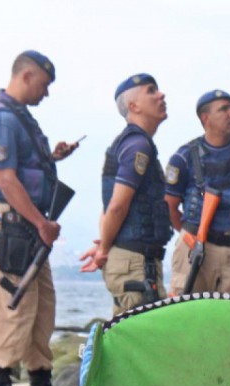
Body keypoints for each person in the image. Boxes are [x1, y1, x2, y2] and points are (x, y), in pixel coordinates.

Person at [0, 50, 79, 386]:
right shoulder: (3, 118)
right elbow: (5, 179)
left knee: (41, 305)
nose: (46, 93)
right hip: (17, 224)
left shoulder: (19, 117)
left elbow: (23, 167)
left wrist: (52, 157)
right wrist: (41, 223)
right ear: (27, 76)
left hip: (29, 226)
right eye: (44, 85)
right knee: (14, 299)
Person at [79, 73, 172, 315]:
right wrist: (104, 249)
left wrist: (106, 244)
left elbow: (109, 205)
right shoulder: (137, 146)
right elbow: (117, 206)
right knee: (145, 333)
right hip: (136, 262)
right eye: (151, 91)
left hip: (134, 259)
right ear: (134, 106)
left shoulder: (127, 143)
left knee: (133, 332)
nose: (161, 95)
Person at [165, 89, 230, 296]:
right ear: (206, 118)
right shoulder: (185, 157)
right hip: (193, 246)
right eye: (224, 109)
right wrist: (191, 234)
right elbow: (169, 206)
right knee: (186, 307)